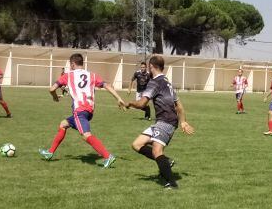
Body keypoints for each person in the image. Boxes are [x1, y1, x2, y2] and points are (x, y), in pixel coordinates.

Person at [39, 53, 125, 168]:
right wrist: (118, 98)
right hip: (89, 110)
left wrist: (55, 97)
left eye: (70, 65)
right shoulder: (92, 75)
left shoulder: (68, 75)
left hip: (80, 111)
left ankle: (107, 156)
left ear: (73, 64)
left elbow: (52, 89)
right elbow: (107, 85)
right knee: (63, 124)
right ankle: (50, 152)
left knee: (85, 135)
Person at [122, 54, 194, 188]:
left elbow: (142, 104)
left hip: (166, 121)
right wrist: (183, 121)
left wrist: (130, 103)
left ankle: (172, 183)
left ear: (151, 66)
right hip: (162, 121)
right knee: (137, 144)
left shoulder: (155, 82)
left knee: (156, 150)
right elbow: (179, 105)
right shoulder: (167, 81)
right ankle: (166, 161)